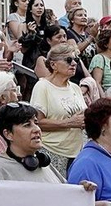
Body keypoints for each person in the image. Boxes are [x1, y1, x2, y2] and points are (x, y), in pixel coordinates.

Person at [29, 42, 89, 175]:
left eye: (76, 60)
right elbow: (37, 122)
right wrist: (70, 122)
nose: (74, 63)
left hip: (77, 152)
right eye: (68, 60)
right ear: (53, 64)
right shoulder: (42, 86)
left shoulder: (75, 87)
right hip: (52, 151)